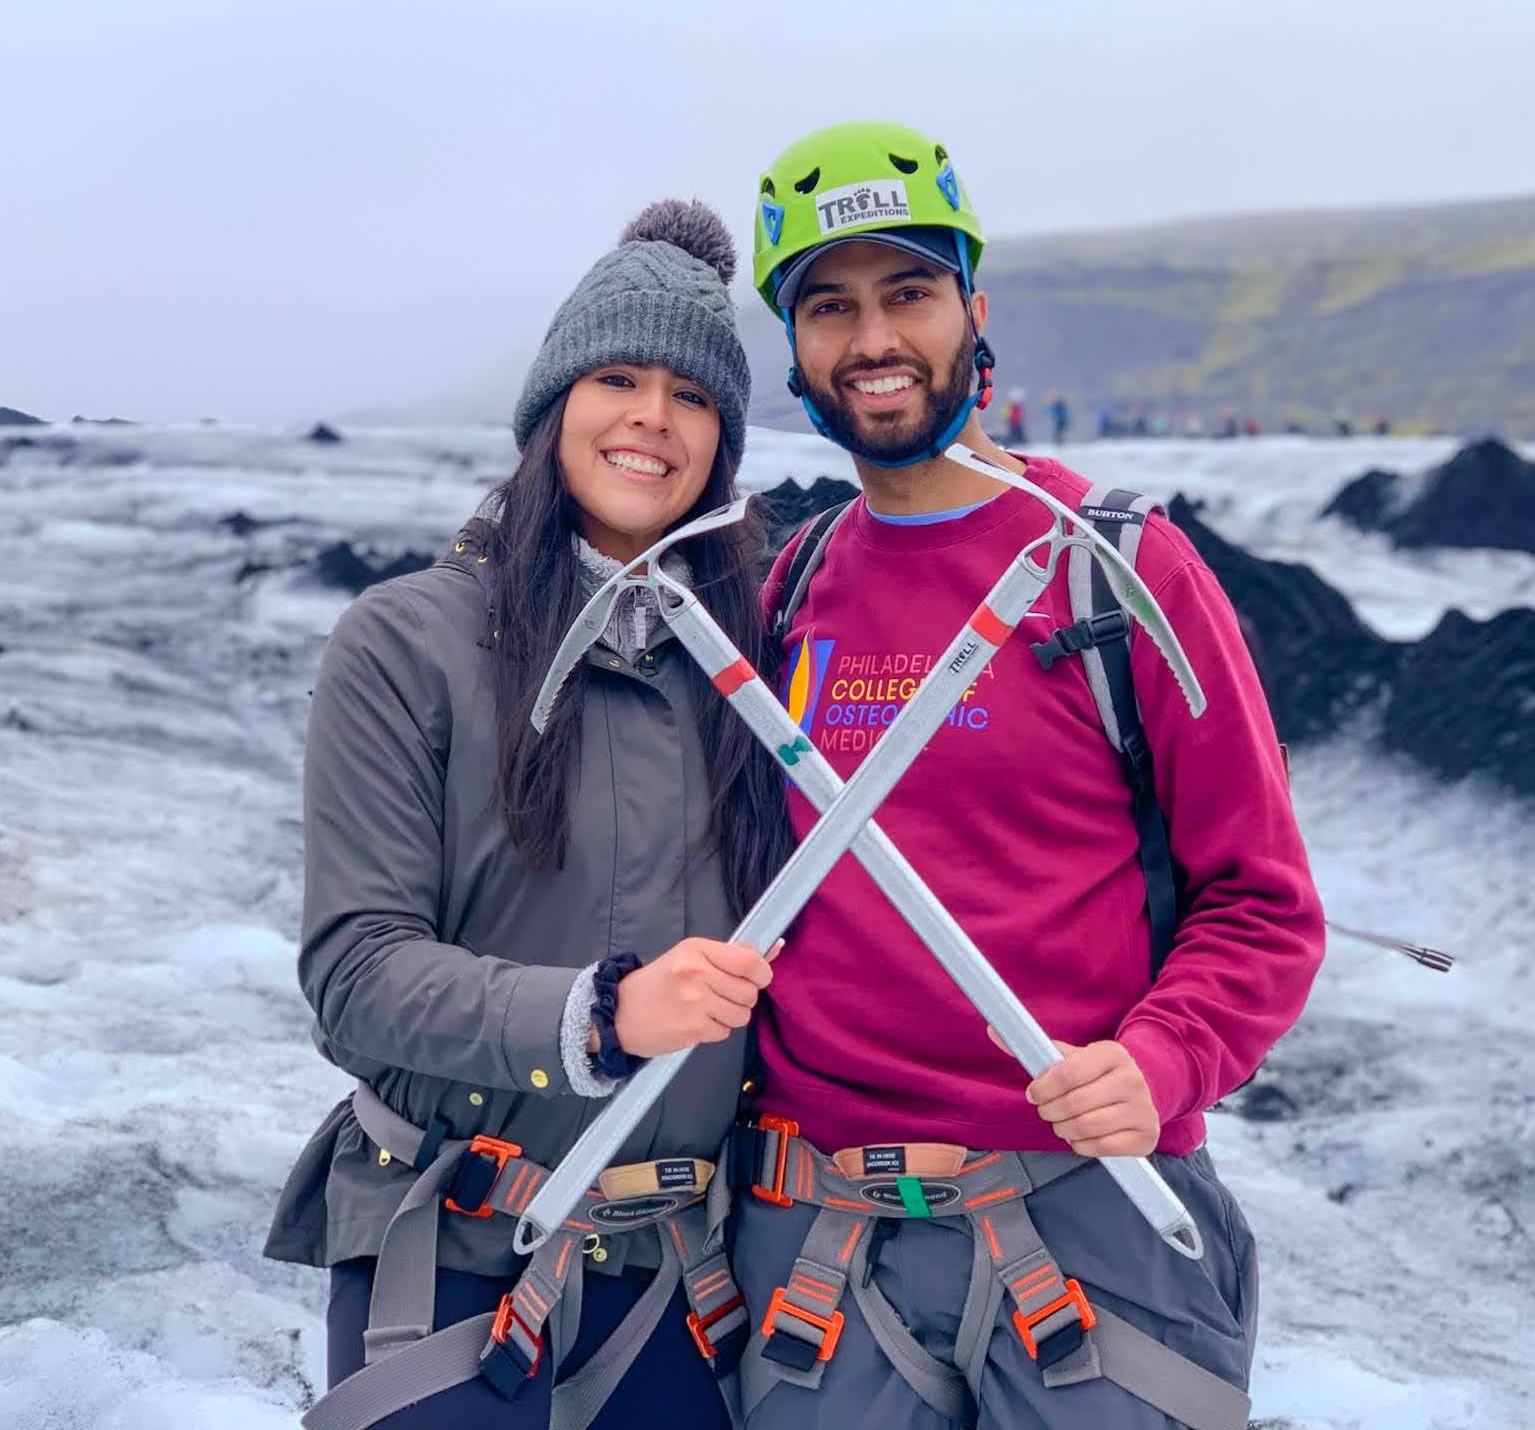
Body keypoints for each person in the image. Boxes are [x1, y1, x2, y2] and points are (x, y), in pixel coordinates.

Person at [733, 120, 1325, 1428]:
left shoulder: (1118, 569)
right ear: (792, 350)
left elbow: (1263, 900)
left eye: (907, 292)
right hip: (816, 1245)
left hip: (1086, 1220)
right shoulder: (788, 586)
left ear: (971, 310)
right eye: (828, 307)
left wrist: (1164, 1060)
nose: (871, 339)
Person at [264, 201, 792, 1429]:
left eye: (691, 395)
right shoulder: (404, 640)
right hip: (450, 1253)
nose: (650, 419)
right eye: (616, 377)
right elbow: (355, 972)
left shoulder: (768, 657)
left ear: (722, 439)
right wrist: (598, 1014)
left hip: (687, 1283)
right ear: (553, 406)